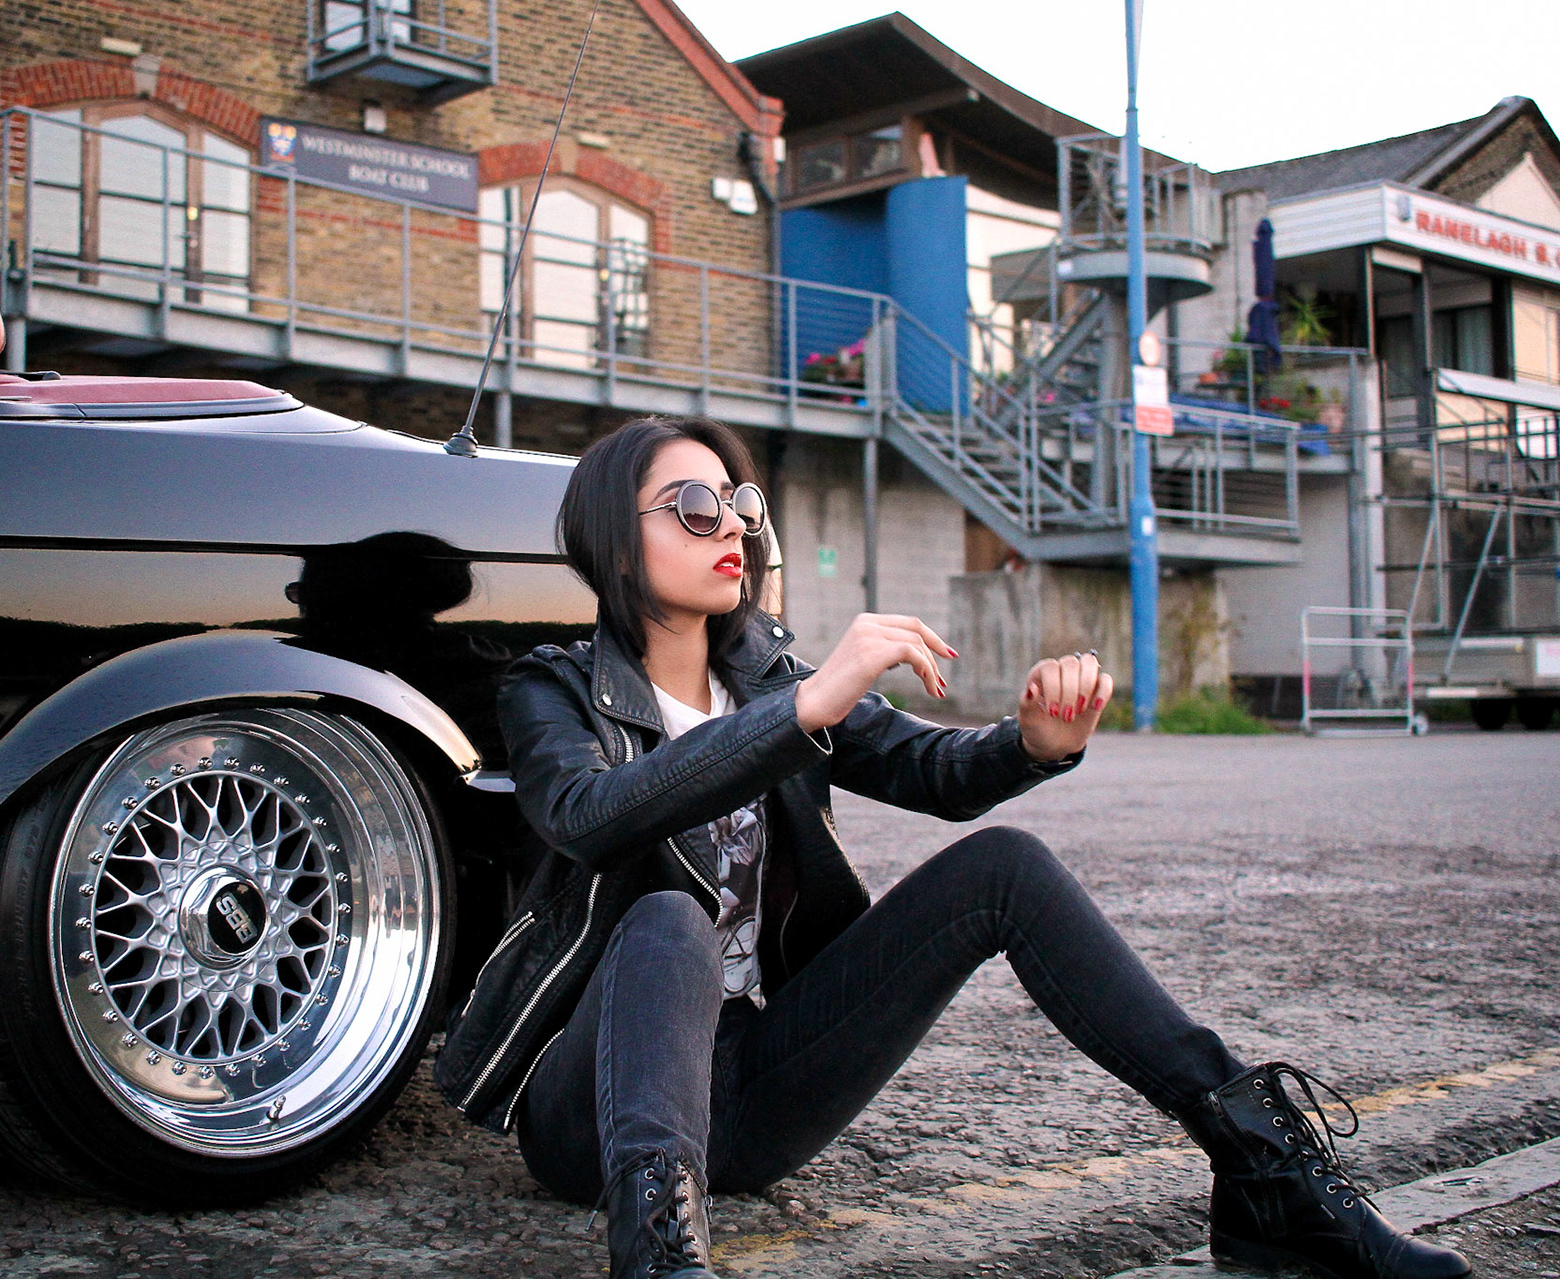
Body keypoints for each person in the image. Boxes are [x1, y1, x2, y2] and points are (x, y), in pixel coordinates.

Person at [433, 416, 1468, 1279]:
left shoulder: (768, 680)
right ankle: (659, 1251)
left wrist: (1030, 743)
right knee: (669, 917)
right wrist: (805, 708)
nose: (734, 526)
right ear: (617, 544)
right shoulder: (554, 687)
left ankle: (1263, 1169)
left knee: (1004, 866)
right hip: (598, 1107)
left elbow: (930, 768)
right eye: (695, 507)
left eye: (741, 504)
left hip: (754, 1090)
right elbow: (589, 813)